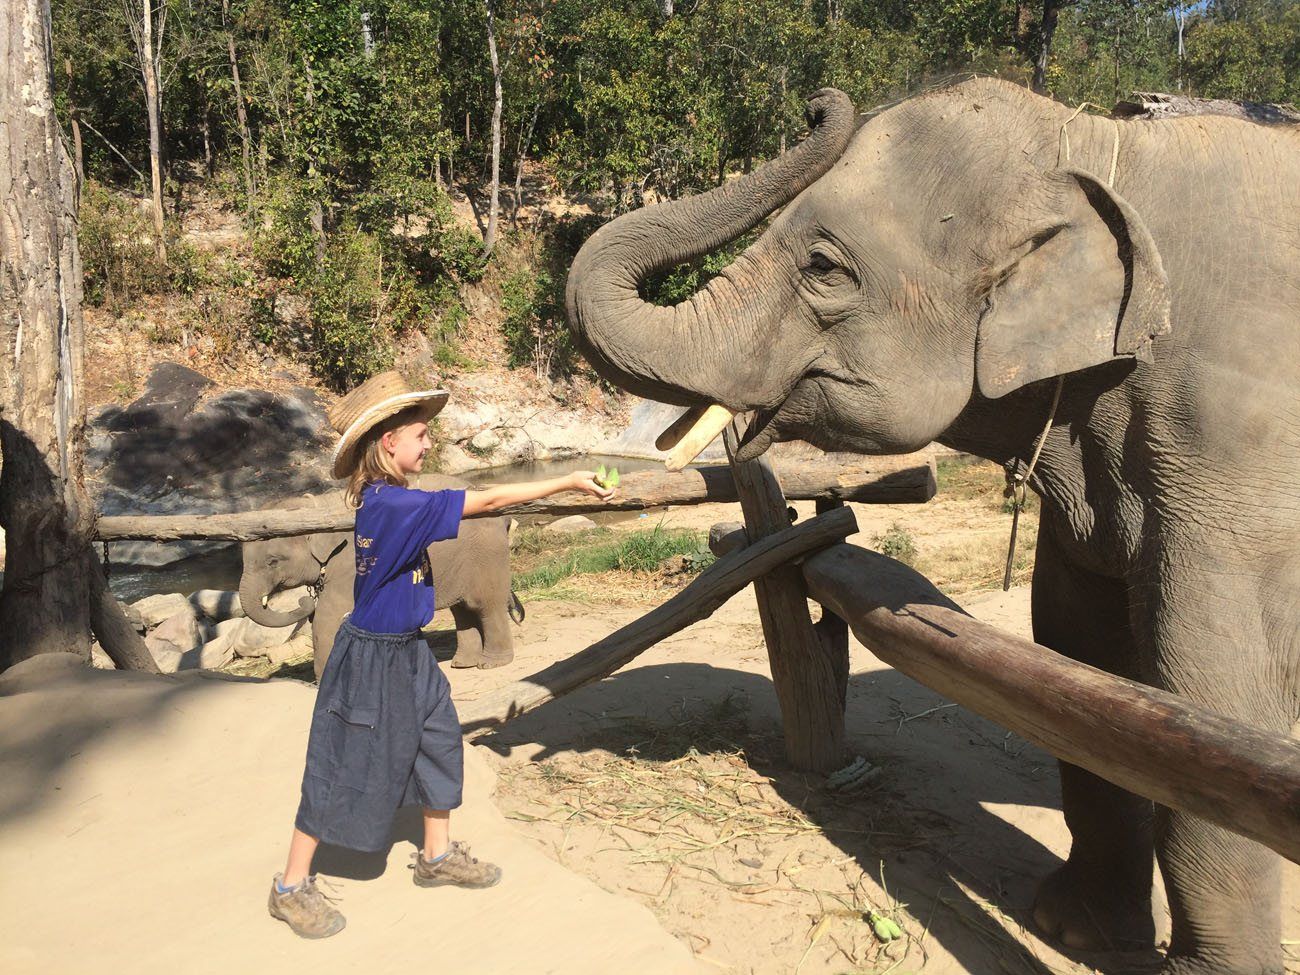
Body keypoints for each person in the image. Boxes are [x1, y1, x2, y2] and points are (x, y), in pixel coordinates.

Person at [268, 371, 616, 938]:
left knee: (436, 740)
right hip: (372, 656)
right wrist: (567, 482)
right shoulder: (397, 507)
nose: (429, 445)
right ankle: (289, 887)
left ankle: (435, 856)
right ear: (390, 445)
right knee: (342, 761)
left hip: (410, 650)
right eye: (421, 436)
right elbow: (494, 498)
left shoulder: (394, 498)